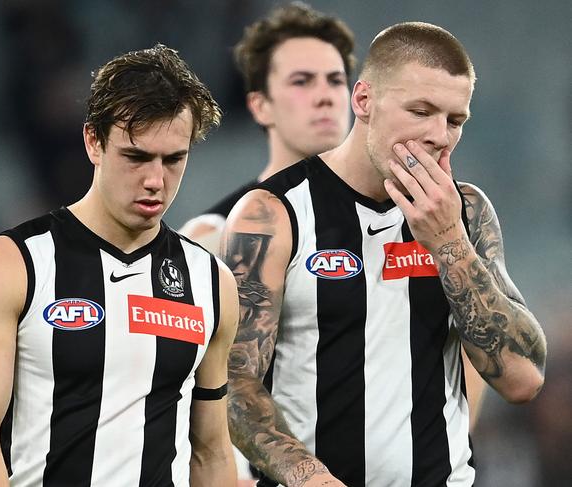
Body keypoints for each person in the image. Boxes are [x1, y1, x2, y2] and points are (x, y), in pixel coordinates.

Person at [222, 22, 547, 487]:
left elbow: (523, 380)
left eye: (455, 121)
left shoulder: (467, 213)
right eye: (421, 111)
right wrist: (308, 477)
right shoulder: (273, 214)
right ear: (363, 101)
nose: (439, 135)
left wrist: (447, 242)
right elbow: (236, 386)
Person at [0, 45, 239, 487]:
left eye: (173, 160)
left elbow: (212, 452)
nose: (156, 180)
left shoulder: (211, 282)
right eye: (137, 157)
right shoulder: (14, 262)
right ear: (93, 142)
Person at [179, 2, 355, 255]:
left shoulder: (403, 216)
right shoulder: (210, 238)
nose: (325, 96)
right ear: (260, 106)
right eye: (302, 81)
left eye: (335, 80)